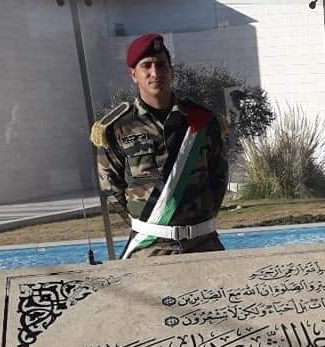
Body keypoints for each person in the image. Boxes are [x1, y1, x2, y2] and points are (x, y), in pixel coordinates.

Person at [91, 33, 228, 259]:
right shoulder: (117, 129)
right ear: (134, 75)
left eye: (161, 65)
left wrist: (199, 214)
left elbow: (219, 175)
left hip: (203, 244)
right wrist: (149, 220)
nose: (155, 73)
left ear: (171, 71)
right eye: (146, 66)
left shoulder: (202, 120)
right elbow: (111, 187)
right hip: (150, 250)